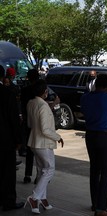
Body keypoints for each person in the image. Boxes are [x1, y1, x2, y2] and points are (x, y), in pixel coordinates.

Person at [81, 74, 107, 216]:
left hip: (90, 135)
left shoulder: (85, 97)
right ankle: (101, 208)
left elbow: (84, 112)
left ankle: (95, 203)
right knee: (105, 173)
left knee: (94, 170)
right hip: (104, 135)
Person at [25, 79, 64, 214]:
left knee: (42, 171)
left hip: (34, 141)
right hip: (43, 143)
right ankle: (35, 197)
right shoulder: (43, 106)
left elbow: (30, 124)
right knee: (49, 170)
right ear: (45, 92)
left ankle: (42, 198)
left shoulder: (31, 103)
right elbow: (46, 130)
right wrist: (58, 137)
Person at [21, 69, 60, 184]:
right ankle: (37, 193)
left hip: (30, 127)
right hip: (42, 136)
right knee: (48, 168)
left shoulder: (27, 95)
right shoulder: (42, 103)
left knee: (33, 156)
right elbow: (44, 128)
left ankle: (28, 175)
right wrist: (57, 137)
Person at [0, 65, 25, 211]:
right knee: (8, 172)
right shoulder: (7, 93)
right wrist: (18, 140)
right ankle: (8, 201)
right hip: (5, 139)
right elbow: (13, 119)